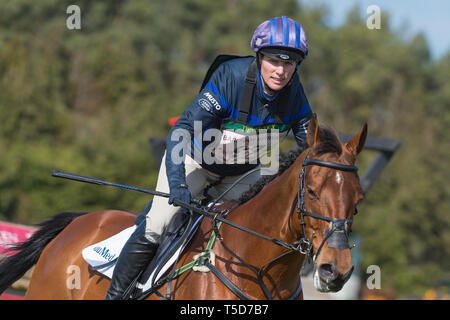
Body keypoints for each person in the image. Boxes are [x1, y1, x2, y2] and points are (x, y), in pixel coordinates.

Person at [105, 16, 313, 299]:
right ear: (259, 56)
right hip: (196, 162)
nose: (281, 71)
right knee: (158, 224)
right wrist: (178, 183)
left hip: (243, 172)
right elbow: (183, 129)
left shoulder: (295, 94)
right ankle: (115, 296)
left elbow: (312, 149)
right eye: (274, 61)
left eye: (289, 63)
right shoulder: (231, 76)